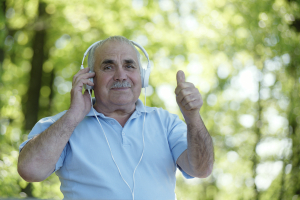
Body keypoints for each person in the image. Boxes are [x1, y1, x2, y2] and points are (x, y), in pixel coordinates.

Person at [18, 36, 214, 200]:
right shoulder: (63, 124)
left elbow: (202, 169)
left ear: (142, 76)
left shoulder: (166, 123)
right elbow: (30, 170)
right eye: (108, 67)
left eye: (129, 66)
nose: (121, 75)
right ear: (89, 78)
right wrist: (73, 116)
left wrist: (193, 117)